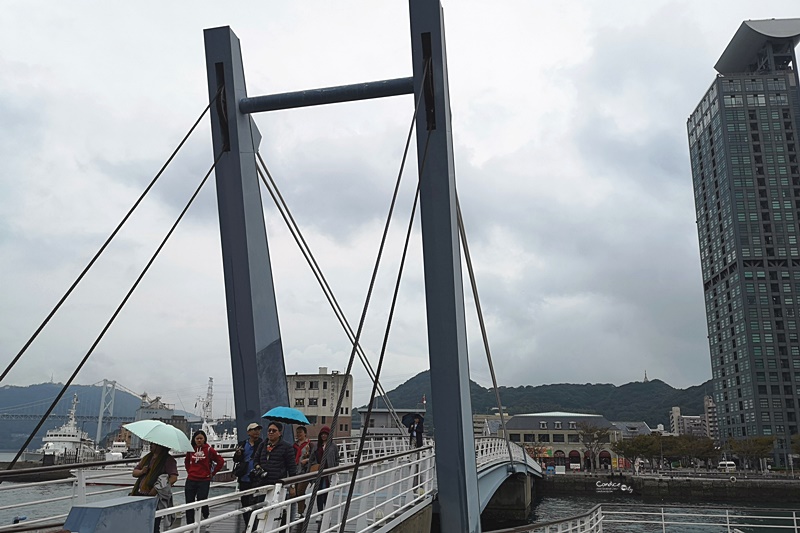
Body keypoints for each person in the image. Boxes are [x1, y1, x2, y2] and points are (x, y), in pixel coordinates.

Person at [131, 442, 178, 533]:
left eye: (153, 444)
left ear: (160, 446)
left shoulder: (168, 460)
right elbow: (134, 472)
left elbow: (173, 477)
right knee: (140, 522)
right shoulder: (147, 458)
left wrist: (158, 488)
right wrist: (142, 472)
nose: (151, 445)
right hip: (140, 494)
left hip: (155, 497)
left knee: (153, 524)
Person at [184, 429, 225, 525]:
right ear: (194, 439)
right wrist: (189, 471)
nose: (199, 440)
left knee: (201, 500)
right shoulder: (191, 450)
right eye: (197, 438)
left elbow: (220, 461)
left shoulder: (209, 450)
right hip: (191, 479)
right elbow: (187, 461)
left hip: (204, 479)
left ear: (204, 439)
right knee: (189, 502)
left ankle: (204, 515)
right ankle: (190, 524)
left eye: (201, 438)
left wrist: (213, 472)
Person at [232, 422, 263, 526]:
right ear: (249, 432)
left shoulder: (262, 444)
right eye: (254, 430)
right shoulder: (242, 444)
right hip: (244, 476)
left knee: (255, 502)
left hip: (256, 477)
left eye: (258, 430)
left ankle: (254, 525)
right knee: (245, 502)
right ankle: (248, 524)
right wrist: (238, 454)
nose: (257, 432)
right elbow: (236, 460)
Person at [309, 425, 339, 512]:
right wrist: (314, 466)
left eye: (325, 434)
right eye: (322, 434)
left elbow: (337, 458)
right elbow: (312, 458)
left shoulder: (333, 446)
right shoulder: (316, 446)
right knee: (318, 492)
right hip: (318, 472)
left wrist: (334, 467)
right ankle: (320, 511)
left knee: (325, 491)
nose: (323, 436)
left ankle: (325, 511)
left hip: (328, 473)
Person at [293, 425, 313, 517]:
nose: (298, 434)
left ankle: (300, 512)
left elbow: (314, 458)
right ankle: (302, 506)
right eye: (297, 432)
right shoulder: (294, 445)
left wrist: (307, 459)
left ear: (305, 433)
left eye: (300, 432)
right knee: (296, 492)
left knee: (300, 491)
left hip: (305, 471)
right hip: (296, 471)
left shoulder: (310, 445)